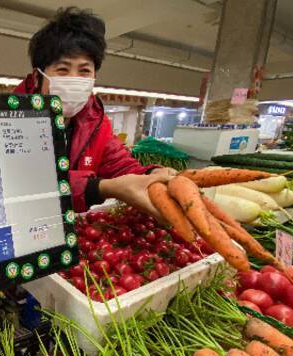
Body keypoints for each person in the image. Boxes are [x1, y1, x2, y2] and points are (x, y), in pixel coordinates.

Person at [14, 7, 176, 217]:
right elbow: (23, 180)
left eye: (84, 71)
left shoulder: (95, 120)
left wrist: (151, 174)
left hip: (73, 228)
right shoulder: (10, 117)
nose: (74, 78)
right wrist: (99, 188)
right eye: (63, 70)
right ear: (38, 77)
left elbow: (118, 163)